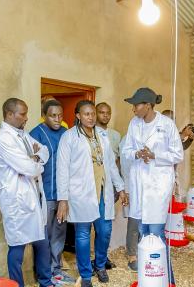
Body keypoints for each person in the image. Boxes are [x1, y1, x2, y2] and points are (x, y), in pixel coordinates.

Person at [56, 100, 127, 287]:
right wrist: (63, 199)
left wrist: (120, 187)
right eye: (86, 114)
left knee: (104, 231)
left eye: (92, 114)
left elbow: (111, 165)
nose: (91, 117)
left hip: (102, 191)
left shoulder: (102, 136)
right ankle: (86, 274)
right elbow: (62, 169)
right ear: (78, 116)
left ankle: (100, 265)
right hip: (81, 193)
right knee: (82, 234)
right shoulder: (69, 137)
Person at [122, 88, 184, 287]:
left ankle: (167, 281)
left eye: (136, 105)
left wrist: (155, 155)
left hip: (158, 186)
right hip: (140, 184)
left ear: (148, 105)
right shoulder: (134, 124)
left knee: (156, 236)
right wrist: (138, 154)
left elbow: (177, 155)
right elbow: (126, 150)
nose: (133, 109)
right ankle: (148, 279)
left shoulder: (167, 125)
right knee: (143, 235)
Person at [0, 98, 55, 287]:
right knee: (17, 248)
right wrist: (34, 163)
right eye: (23, 114)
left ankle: (46, 281)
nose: (26, 118)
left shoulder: (23, 135)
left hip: (34, 197)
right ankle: (16, 285)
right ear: (9, 114)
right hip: (17, 201)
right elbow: (28, 168)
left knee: (42, 242)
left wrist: (34, 157)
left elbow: (44, 151)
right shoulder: (4, 138)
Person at [29, 100, 75, 285]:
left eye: (60, 115)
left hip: (62, 194)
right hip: (45, 193)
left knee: (59, 234)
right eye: (52, 115)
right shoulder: (35, 134)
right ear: (43, 115)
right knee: (43, 236)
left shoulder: (67, 134)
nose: (57, 119)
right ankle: (43, 274)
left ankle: (56, 270)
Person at [95, 102, 120, 271]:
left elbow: (116, 162)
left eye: (107, 112)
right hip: (92, 187)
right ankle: (94, 261)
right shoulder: (90, 134)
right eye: (101, 112)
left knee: (105, 228)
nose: (105, 115)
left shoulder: (115, 135)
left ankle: (102, 259)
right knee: (88, 228)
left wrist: (118, 186)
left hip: (109, 186)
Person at [119, 137, 140, 272]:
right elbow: (125, 167)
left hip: (150, 187)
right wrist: (126, 190)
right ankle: (132, 256)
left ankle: (144, 250)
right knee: (134, 222)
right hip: (133, 186)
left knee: (148, 221)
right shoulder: (127, 139)